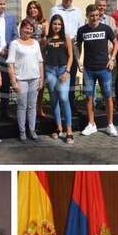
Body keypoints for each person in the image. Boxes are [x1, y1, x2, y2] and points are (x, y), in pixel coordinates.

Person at [77, 4, 118, 137]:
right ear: (87, 15)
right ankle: (91, 124)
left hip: (104, 69)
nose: (95, 18)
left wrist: (112, 59)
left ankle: (110, 125)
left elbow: (116, 43)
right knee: (89, 98)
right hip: (89, 70)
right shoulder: (82, 30)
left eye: (97, 15)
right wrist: (79, 62)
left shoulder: (106, 28)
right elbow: (77, 47)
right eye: (92, 15)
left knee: (108, 97)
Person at [8, 19, 44, 141]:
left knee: (32, 106)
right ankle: (22, 131)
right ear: (21, 29)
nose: (28, 30)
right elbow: (10, 64)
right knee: (22, 106)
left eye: (30, 28)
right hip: (21, 79)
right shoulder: (14, 43)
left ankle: (32, 130)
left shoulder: (35, 43)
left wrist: (41, 78)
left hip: (34, 78)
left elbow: (40, 62)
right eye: (26, 28)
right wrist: (13, 81)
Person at [50, 0, 86, 112]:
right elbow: (52, 27)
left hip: (74, 45)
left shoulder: (77, 11)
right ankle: (59, 105)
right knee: (59, 75)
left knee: (71, 74)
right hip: (59, 45)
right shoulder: (55, 9)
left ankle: (70, 103)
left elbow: (80, 29)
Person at [44, 14, 75, 143]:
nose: (57, 26)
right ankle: (58, 127)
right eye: (54, 24)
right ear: (51, 25)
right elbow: (43, 56)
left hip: (63, 70)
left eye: (59, 24)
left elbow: (71, 56)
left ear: (62, 26)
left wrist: (67, 71)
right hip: (50, 71)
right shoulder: (47, 39)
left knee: (63, 97)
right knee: (54, 99)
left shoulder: (66, 38)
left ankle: (69, 130)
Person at [25, 0, 48, 118]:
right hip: (29, 57)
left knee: (41, 84)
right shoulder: (24, 23)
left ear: (39, 10)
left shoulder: (44, 22)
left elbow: (46, 37)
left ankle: (39, 108)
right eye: (31, 8)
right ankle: (30, 109)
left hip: (41, 56)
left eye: (35, 8)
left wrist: (44, 34)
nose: (33, 10)